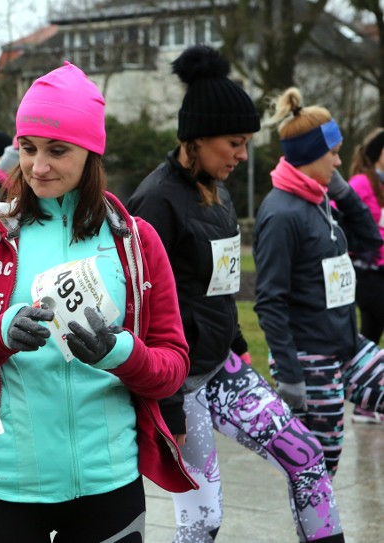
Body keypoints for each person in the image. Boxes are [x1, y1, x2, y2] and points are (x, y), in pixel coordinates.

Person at [0, 61, 195, 542]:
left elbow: (173, 365)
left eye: (57, 150)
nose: (37, 166)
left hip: (108, 484)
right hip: (4, 485)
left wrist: (121, 353)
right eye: (27, 149)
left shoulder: (137, 241)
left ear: (92, 153)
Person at [127, 45, 343, 543]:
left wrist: (238, 340)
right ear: (197, 139)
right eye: (235, 143)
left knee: (307, 458)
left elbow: (217, 284)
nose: (243, 155)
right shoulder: (155, 201)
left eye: (246, 143)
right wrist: (170, 404)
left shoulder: (219, 194)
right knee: (202, 519)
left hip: (223, 368)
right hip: (178, 386)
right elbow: (144, 309)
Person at [254, 87, 384, 478]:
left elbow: (371, 239)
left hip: (346, 345)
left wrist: (342, 191)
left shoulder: (319, 199)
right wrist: (291, 377)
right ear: (311, 155)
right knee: (318, 473)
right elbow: (269, 300)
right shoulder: (281, 213)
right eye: (333, 153)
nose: (340, 161)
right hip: (311, 361)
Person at [346, 127, 384, 425]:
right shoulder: (360, 182)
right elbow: (337, 212)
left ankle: (364, 405)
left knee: (371, 330)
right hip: (365, 271)